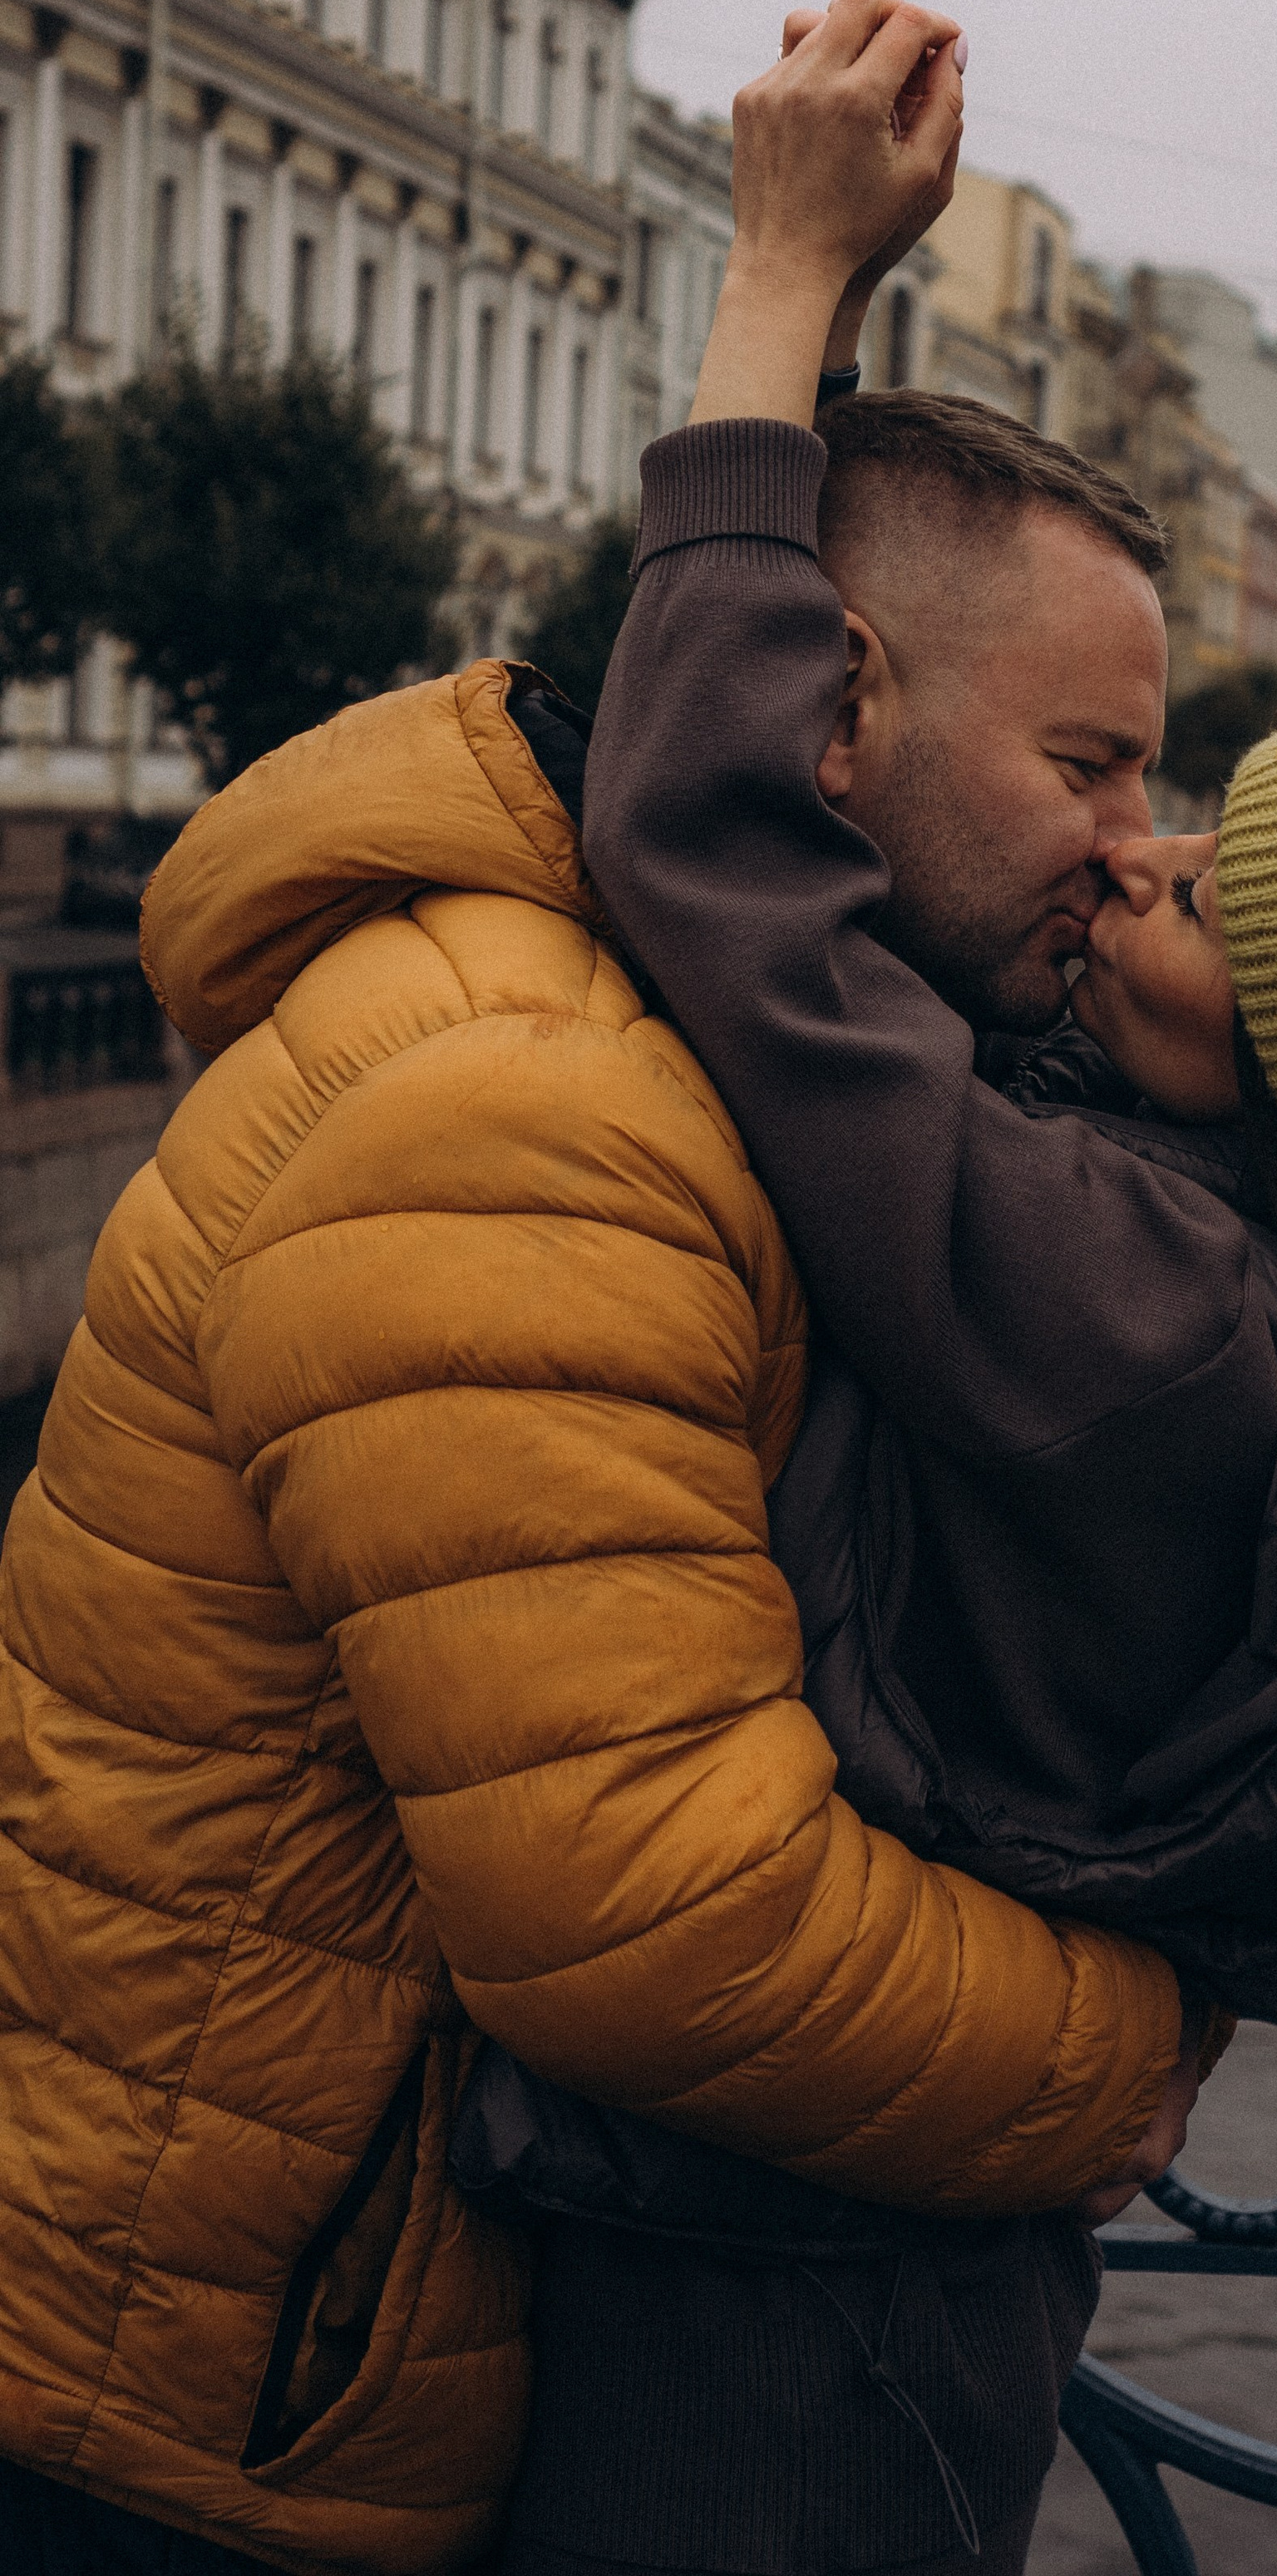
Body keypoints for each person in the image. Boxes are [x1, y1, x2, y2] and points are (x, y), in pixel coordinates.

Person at [469, 0, 1277, 2576]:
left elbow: (723, 857)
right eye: (1119, 797)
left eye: (1194, 883)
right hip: (935, 2256)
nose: (1125, 866)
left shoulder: (1132, 1311)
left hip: (757, 2297)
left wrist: (774, 303)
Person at [0, 654, 1201, 2574]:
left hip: (230, 2313)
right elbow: (653, 1915)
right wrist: (1118, 2059)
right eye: (1088, 763)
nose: (1134, 841)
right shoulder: (531, 1099)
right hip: (189, 2399)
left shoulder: (641, 1033)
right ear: (838, 726)